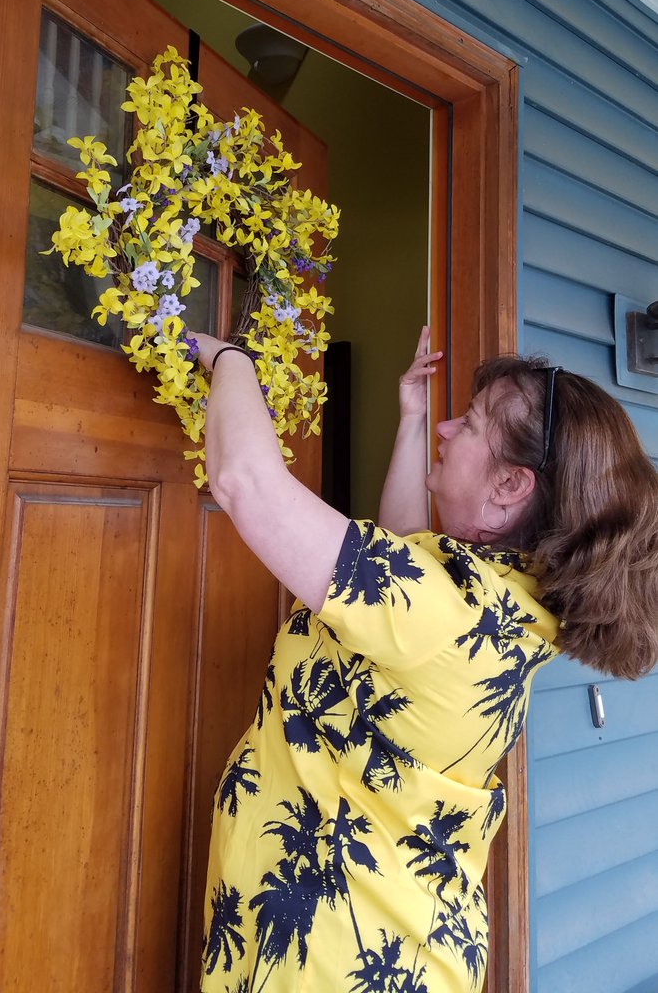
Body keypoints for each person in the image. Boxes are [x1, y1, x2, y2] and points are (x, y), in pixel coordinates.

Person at [189, 326, 658, 993]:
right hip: (391, 940)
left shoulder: (440, 612)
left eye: (466, 425)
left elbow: (245, 482)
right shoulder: (499, 604)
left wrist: (230, 356)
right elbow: (404, 557)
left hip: (335, 959)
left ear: (508, 485)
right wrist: (409, 419)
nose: (445, 428)